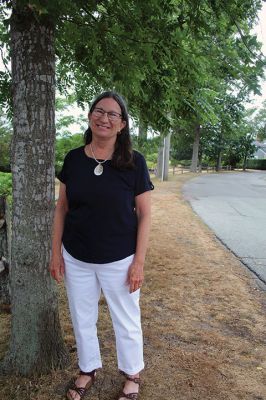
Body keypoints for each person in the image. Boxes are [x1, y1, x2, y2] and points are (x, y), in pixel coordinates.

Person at [49, 91, 154, 400]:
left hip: (119, 258)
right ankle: (87, 368)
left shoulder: (134, 163)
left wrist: (139, 262)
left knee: (126, 319)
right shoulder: (73, 159)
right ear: (90, 116)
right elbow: (61, 208)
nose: (104, 118)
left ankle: (132, 375)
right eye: (99, 111)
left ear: (122, 125)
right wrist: (56, 253)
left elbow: (146, 215)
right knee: (82, 317)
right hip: (77, 255)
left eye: (113, 114)